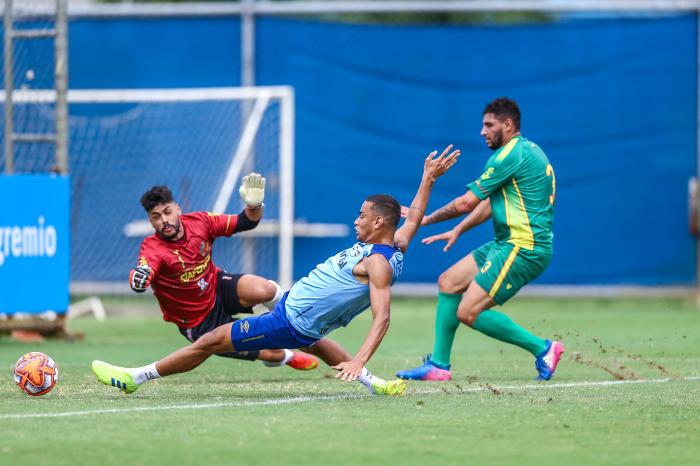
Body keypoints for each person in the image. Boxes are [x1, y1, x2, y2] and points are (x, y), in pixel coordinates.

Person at [92, 145, 460, 396]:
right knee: (301, 326)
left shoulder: (378, 263)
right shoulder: (396, 243)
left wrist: (361, 356)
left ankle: (135, 376)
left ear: (379, 221)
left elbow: (383, 317)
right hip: (295, 311)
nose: (355, 220)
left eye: (362, 216)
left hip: (289, 320)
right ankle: (372, 383)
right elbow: (413, 219)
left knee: (208, 342)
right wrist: (428, 178)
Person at [396, 97, 564, 382]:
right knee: (449, 282)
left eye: (489, 125)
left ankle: (544, 348)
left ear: (508, 125)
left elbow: (466, 203)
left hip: (523, 247)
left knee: (468, 311)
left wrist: (424, 218)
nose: (482, 131)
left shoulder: (509, 155)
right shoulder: (527, 151)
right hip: (507, 243)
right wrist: (458, 230)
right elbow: (489, 204)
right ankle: (438, 365)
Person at [126, 174, 319, 374]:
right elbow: (143, 271)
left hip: (216, 287)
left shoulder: (200, 222)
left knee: (266, 290)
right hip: (198, 322)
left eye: (167, 212)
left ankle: (292, 322)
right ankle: (285, 356)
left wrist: (254, 206)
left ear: (177, 209)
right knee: (273, 352)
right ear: (150, 220)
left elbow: (246, 222)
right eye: (156, 217)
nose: (164, 220)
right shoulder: (152, 248)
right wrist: (138, 279)